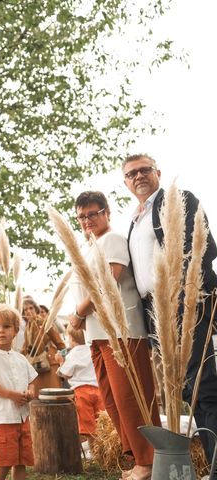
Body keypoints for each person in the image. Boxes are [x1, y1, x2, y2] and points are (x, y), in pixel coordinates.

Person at [123, 154, 217, 474]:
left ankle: (216, 464)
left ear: (157, 173)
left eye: (144, 170)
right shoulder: (135, 219)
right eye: (131, 174)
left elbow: (204, 248)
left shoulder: (178, 200)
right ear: (125, 183)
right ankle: (203, 464)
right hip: (156, 312)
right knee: (185, 389)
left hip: (185, 303)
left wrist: (185, 295)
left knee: (203, 386)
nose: (138, 177)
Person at [69, 190, 160, 480]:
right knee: (113, 401)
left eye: (92, 214)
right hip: (98, 335)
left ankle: (149, 460)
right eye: (81, 216)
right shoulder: (88, 247)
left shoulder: (113, 240)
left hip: (123, 332)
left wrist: (79, 313)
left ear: (106, 212)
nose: (87, 220)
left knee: (131, 397)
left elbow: (109, 281)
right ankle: (136, 458)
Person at [0, 304, 37, 480]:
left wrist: (30, 392)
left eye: (6, 327)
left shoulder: (20, 358)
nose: (0, 331)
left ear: (16, 330)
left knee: (21, 461)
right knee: (3, 462)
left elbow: (32, 380)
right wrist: (13, 395)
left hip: (22, 417)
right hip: (1, 418)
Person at [57, 324, 103, 446]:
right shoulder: (92, 350)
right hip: (98, 390)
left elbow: (65, 374)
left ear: (71, 338)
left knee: (87, 425)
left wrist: (61, 362)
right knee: (100, 423)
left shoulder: (72, 354)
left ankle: (91, 449)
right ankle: (101, 449)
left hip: (81, 392)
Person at [22, 296, 66, 390]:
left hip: (50, 364)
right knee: (38, 398)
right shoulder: (27, 328)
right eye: (25, 310)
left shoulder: (44, 322)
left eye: (31, 308)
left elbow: (60, 344)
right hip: (35, 365)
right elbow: (24, 348)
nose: (28, 311)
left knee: (54, 396)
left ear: (36, 309)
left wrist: (62, 363)